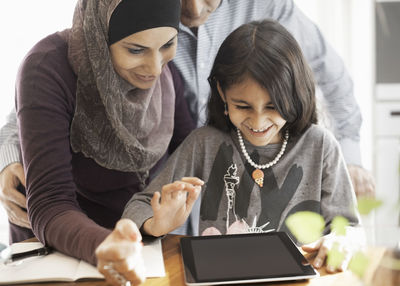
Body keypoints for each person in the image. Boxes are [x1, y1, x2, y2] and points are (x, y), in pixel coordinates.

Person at [0, 0, 374, 242]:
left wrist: (350, 160)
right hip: (80, 233)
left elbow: (332, 79)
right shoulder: (125, 20)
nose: (193, 8)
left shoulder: (266, 9)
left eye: (167, 47)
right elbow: (40, 101)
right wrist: (10, 154)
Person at [98, 20, 364, 280]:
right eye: (243, 106)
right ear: (222, 93)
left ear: (294, 95)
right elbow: (138, 206)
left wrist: (340, 241)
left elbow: (349, 227)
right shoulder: (205, 143)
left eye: (273, 107)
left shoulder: (320, 144)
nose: (258, 122)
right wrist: (157, 223)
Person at [11, 0, 193, 282]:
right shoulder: (47, 68)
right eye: (136, 50)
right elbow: (50, 201)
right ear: (100, 34)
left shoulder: (170, 76)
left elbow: (189, 155)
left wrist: (151, 221)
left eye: (167, 45)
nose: (156, 68)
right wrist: (106, 244)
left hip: (141, 249)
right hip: (61, 250)